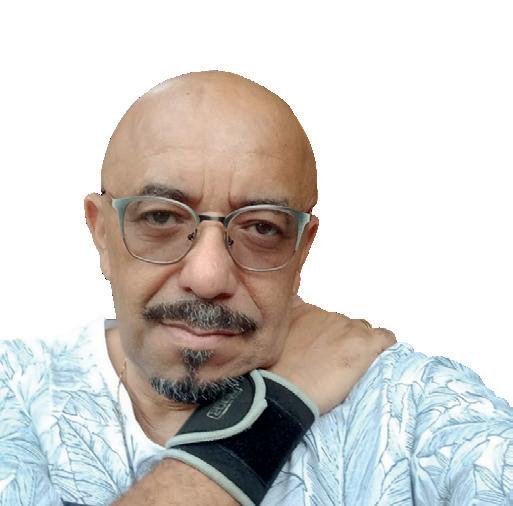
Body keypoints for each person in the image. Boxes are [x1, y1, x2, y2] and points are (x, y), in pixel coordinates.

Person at [0, 71, 512, 506]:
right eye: (160, 217)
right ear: (101, 233)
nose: (208, 277)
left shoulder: (416, 407)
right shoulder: (13, 390)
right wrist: (265, 420)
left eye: (262, 227)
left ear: (302, 248)